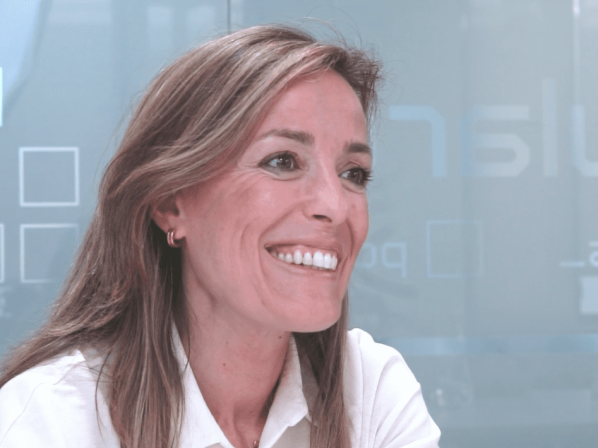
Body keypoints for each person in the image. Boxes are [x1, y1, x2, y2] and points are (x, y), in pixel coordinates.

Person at [0, 25, 440, 448]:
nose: (336, 205)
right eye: (282, 161)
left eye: (353, 173)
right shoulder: (53, 419)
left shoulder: (371, 391)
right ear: (170, 203)